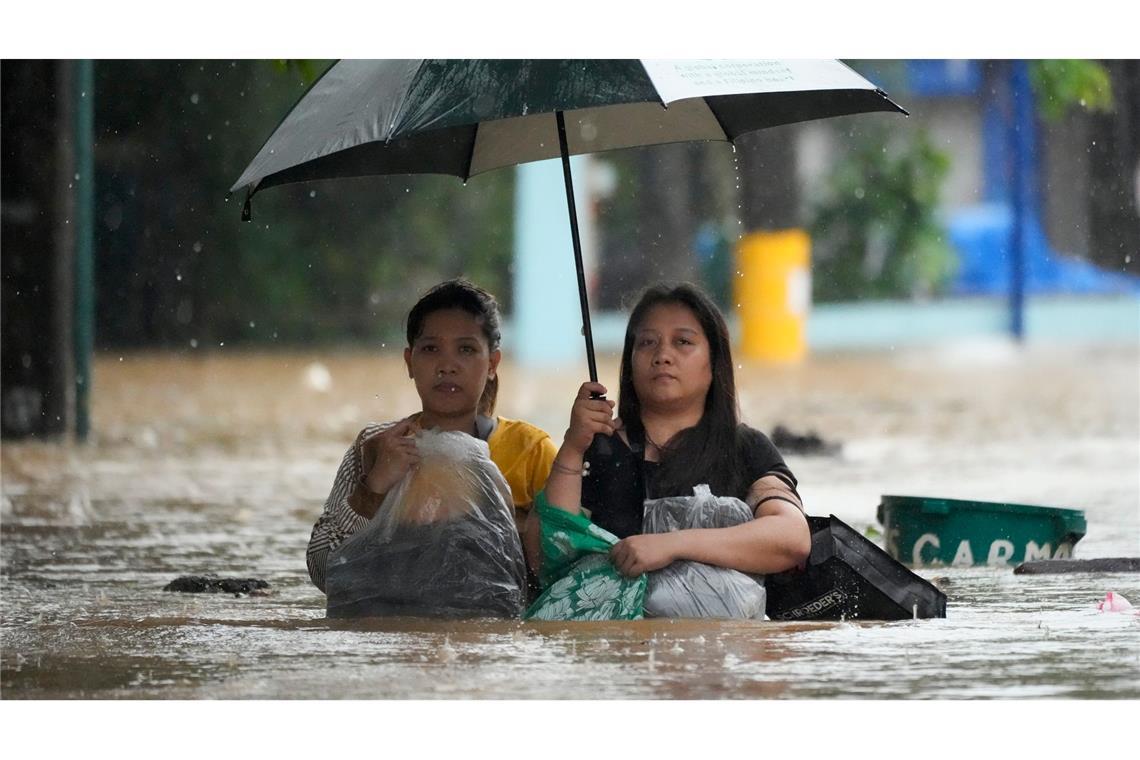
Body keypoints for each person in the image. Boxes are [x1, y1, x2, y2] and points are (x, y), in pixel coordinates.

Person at [535, 282, 811, 581]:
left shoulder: (743, 447)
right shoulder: (597, 449)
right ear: (630, 362)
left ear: (714, 362)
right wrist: (573, 448)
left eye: (683, 342)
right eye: (647, 343)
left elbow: (792, 538)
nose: (662, 355)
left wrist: (673, 545)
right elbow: (544, 558)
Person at [306, 279, 558, 594]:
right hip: (395, 634)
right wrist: (373, 489)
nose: (447, 365)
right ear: (410, 362)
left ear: (492, 364)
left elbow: (563, 572)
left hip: (489, 636)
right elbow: (322, 572)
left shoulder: (530, 451)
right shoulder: (376, 446)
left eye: (466, 349)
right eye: (430, 349)